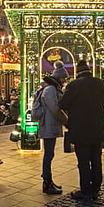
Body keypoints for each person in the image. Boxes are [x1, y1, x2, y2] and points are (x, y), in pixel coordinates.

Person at [58, 61, 104, 201]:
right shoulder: (100, 83)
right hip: (97, 129)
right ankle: (96, 189)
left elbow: (62, 104)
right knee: (96, 160)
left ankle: (86, 191)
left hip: (80, 130)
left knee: (83, 162)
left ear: (78, 72)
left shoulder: (74, 85)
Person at [36, 61, 68, 195]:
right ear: (58, 77)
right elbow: (54, 108)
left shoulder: (52, 88)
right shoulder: (50, 89)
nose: (65, 81)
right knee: (48, 154)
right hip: (48, 125)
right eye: (63, 78)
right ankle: (46, 182)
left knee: (50, 153)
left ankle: (49, 180)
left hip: (50, 124)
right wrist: (66, 120)